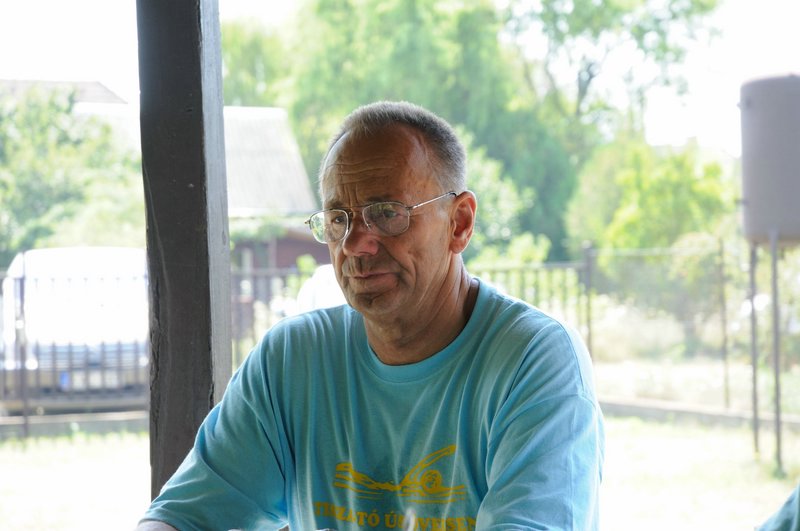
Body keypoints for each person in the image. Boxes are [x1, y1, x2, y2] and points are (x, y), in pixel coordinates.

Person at [137, 101, 604, 530]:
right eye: (338, 218)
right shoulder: (293, 361)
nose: (356, 244)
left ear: (459, 223)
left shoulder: (532, 360)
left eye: (387, 213)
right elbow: (181, 518)